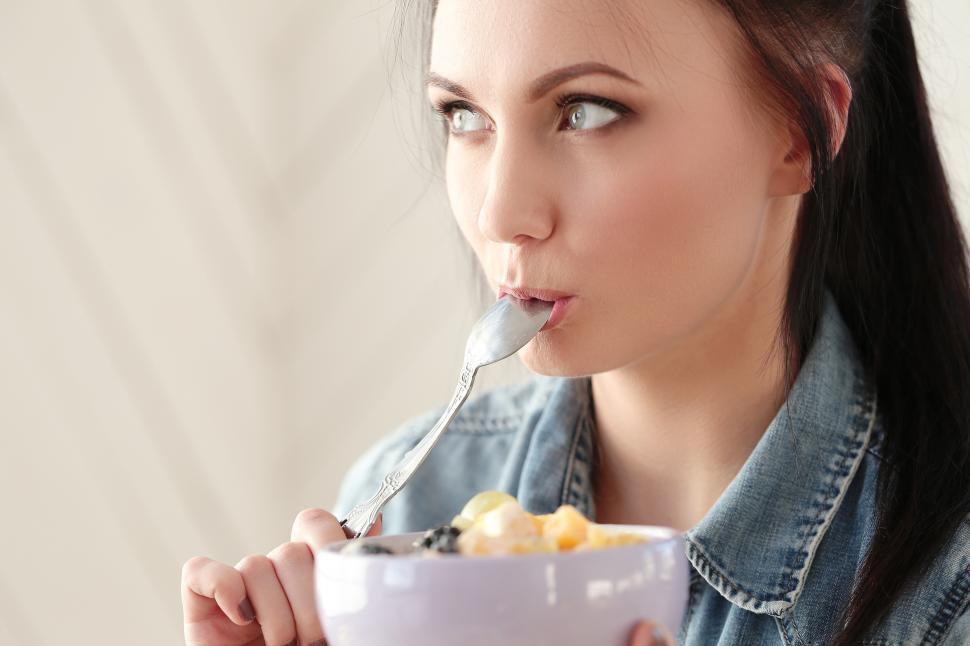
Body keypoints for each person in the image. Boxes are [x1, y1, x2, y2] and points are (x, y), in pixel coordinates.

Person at [181, 0, 970, 643]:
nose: (500, 212)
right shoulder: (407, 524)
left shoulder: (946, 581)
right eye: (462, 114)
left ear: (798, 133)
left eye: (586, 111)